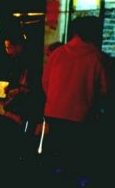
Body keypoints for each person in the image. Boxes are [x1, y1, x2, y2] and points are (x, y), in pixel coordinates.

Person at [41, 16, 109, 176]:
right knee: (74, 163)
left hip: (53, 114)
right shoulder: (98, 57)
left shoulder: (57, 53)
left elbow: (45, 82)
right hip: (81, 118)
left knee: (53, 159)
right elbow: (105, 90)